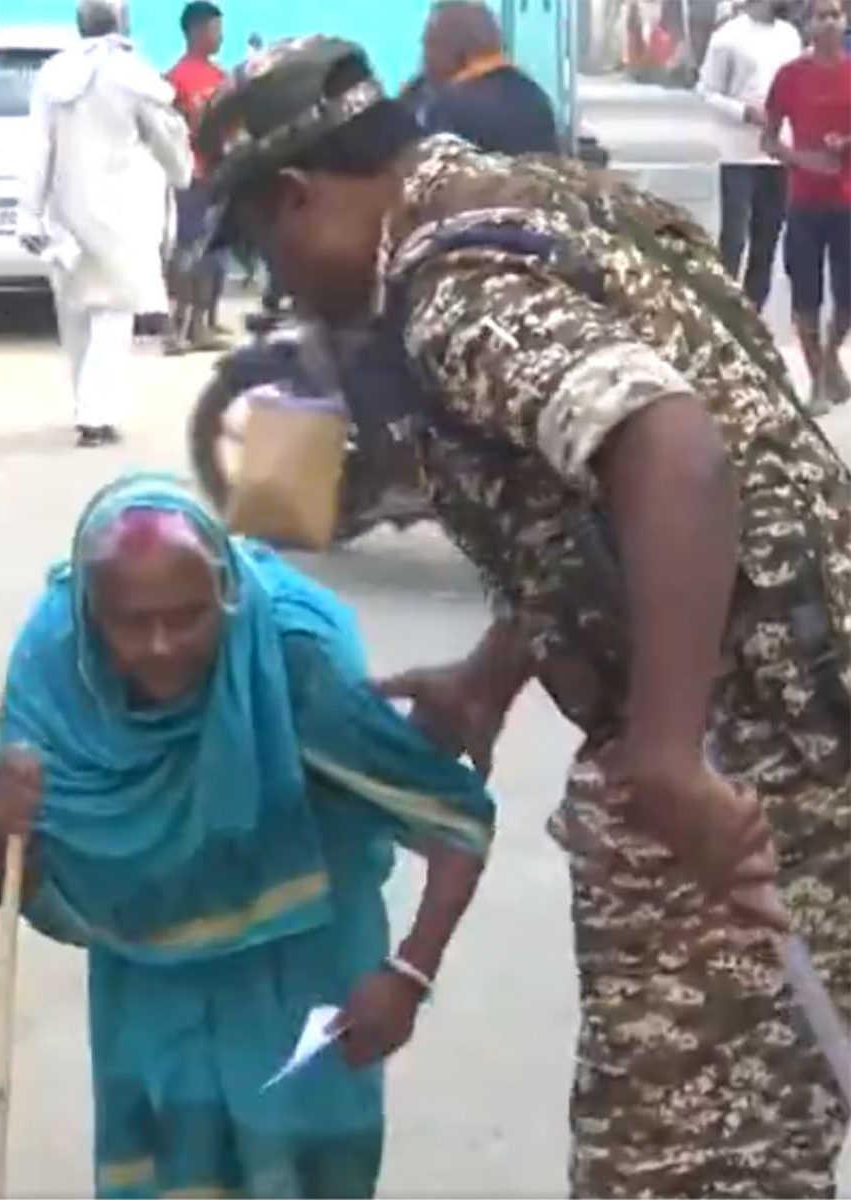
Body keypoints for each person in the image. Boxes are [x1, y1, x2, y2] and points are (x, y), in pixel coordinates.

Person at [197, 35, 850, 1197]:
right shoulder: (524, 193)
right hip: (797, 710)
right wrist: (494, 673)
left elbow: (672, 446)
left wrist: (661, 752)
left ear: (296, 200)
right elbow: (586, 496)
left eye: (263, 249)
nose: (281, 282)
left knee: (687, 1166)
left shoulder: (453, 285)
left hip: (758, 743)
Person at [0, 474, 494, 1198]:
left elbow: (456, 819)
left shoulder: (290, 663)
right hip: (148, 984)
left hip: (302, 974)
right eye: (131, 622)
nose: (159, 646)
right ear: (90, 612)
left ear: (226, 596)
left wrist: (408, 975)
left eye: (187, 618)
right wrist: (4, 825)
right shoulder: (55, 675)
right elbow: (17, 881)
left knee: (298, 1173)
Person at [19, 0, 191, 448]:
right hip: (121, 215)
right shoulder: (133, 74)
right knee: (113, 316)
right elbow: (166, 134)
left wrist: (29, 211)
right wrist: (180, 173)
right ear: (121, 22)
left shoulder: (53, 75)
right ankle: (96, 416)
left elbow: (37, 148)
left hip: (65, 215)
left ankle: (87, 404)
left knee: (75, 315)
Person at [764, 0, 851, 412]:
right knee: (806, 295)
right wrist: (803, 159)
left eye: (837, 13)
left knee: (847, 295)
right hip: (803, 202)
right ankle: (816, 379)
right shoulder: (789, 77)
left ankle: (832, 356)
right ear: (808, 24)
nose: (830, 21)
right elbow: (768, 140)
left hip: (848, 203)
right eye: (822, 14)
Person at [697, 0, 801, 309]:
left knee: (766, 241)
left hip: (777, 153)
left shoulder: (790, 36)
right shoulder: (728, 37)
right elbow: (705, 90)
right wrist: (744, 112)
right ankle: (725, 311)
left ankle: (753, 312)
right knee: (733, 240)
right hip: (737, 155)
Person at [163, 0, 229, 355]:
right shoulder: (174, 79)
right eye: (215, 29)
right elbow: (170, 128)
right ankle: (175, 329)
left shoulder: (221, 78)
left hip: (217, 174)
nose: (220, 36)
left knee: (209, 254)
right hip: (190, 175)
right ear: (196, 32)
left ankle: (201, 327)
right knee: (186, 251)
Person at [417, 1, 559, 156]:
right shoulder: (534, 96)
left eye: (430, 45)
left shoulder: (448, 109)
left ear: (453, 48)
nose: (424, 60)